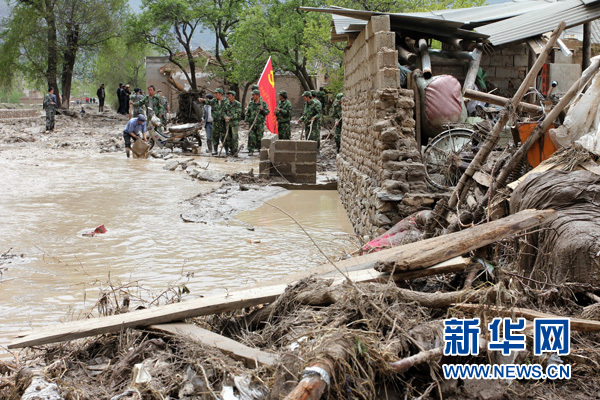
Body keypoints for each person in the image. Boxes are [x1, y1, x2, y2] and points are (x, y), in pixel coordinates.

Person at [199, 88, 226, 155]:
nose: (215, 95)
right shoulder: (214, 101)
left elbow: (228, 110)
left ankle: (227, 150)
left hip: (222, 123)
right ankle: (214, 150)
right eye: (215, 93)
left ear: (220, 94)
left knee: (223, 137)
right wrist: (203, 101)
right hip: (214, 123)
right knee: (214, 137)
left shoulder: (225, 102)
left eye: (217, 93)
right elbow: (207, 103)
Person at [244, 89, 270, 155]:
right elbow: (248, 113)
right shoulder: (251, 103)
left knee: (259, 137)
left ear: (258, 95)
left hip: (259, 123)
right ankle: (251, 150)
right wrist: (246, 120)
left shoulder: (263, 103)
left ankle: (259, 150)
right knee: (251, 137)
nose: (252, 96)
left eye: (254, 95)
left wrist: (262, 110)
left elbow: (267, 112)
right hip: (252, 123)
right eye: (252, 95)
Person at [224, 90, 242, 156]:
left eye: (230, 96)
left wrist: (230, 117)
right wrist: (225, 116)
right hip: (228, 123)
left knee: (234, 137)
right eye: (228, 96)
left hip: (234, 123)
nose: (228, 97)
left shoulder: (238, 104)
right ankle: (231, 150)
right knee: (228, 137)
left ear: (233, 96)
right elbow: (223, 111)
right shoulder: (226, 103)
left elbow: (238, 114)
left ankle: (235, 151)